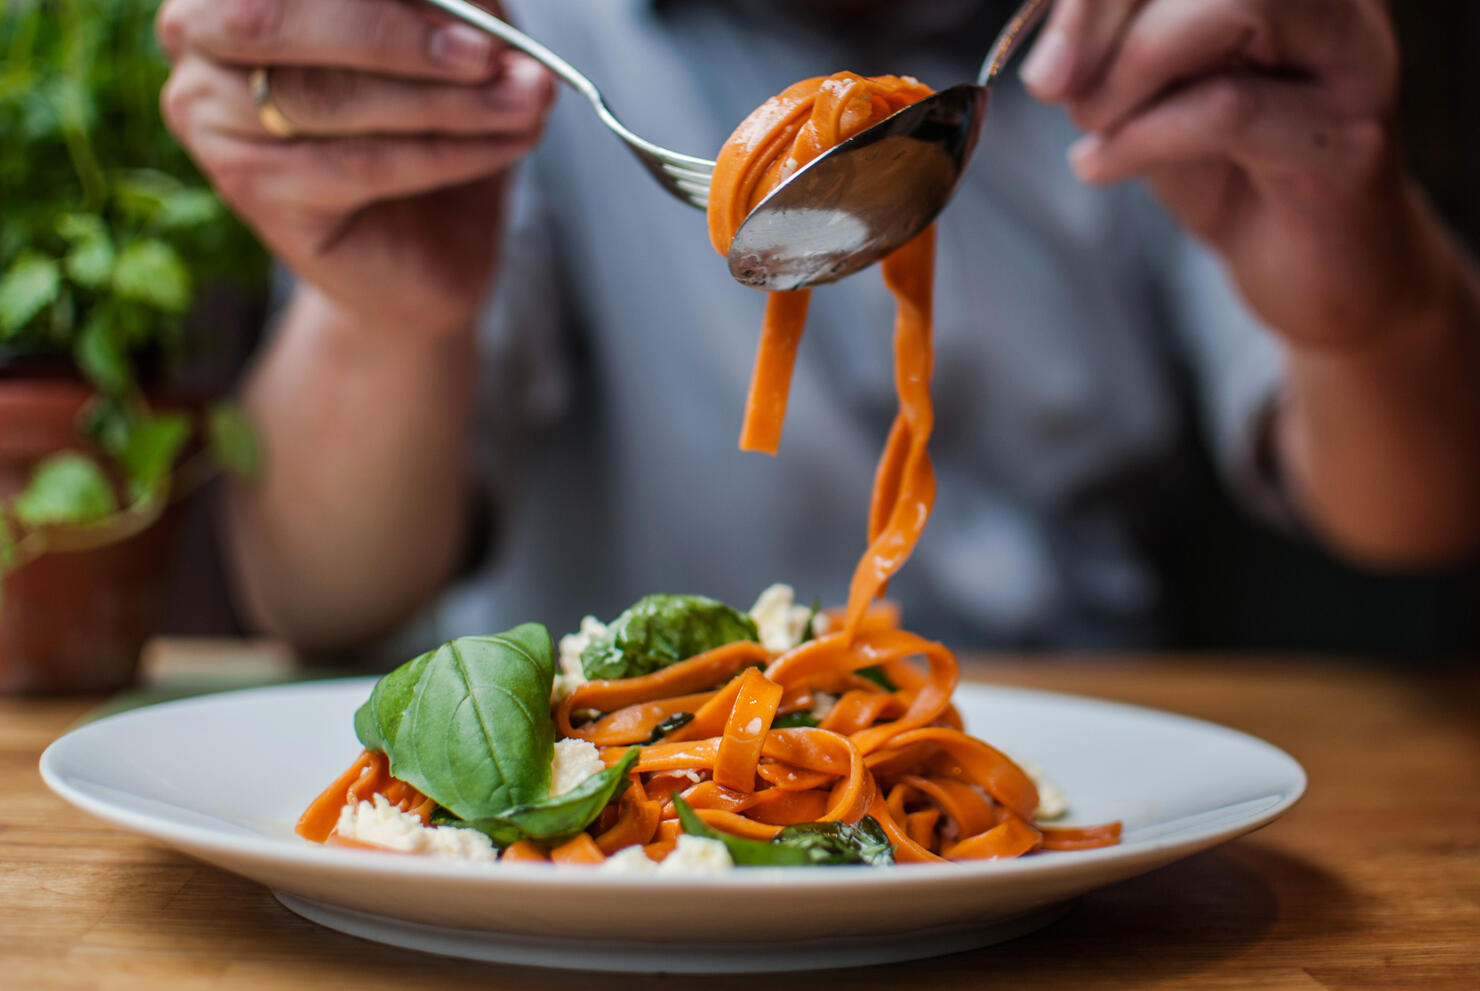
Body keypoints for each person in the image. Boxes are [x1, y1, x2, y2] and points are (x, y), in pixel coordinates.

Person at [154, 0, 1480, 655]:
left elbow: (1421, 510)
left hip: (1052, 804)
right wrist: (386, 321)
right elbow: (317, 594)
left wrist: (1372, 302)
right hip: (597, 808)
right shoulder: (509, 38)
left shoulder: (1133, 36)